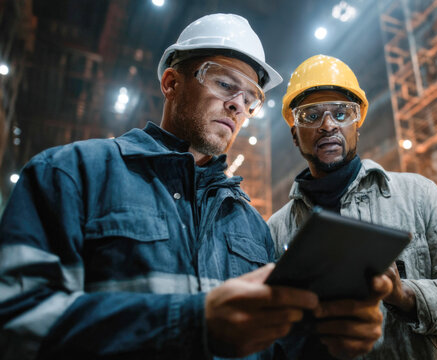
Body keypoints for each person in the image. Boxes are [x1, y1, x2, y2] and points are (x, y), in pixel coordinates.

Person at [0, 15, 390, 360]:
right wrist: (191, 325)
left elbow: (276, 349)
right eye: (224, 83)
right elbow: (14, 323)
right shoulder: (72, 174)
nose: (238, 105)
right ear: (171, 82)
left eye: (250, 97)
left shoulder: (251, 228)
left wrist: (333, 341)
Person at [267, 54, 437, 359]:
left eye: (342, 113)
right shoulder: (276, 230)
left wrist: (404, 295)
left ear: (358, 123)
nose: (328, 124)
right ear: (295, 134)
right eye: (310, 116)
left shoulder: (418, 195)